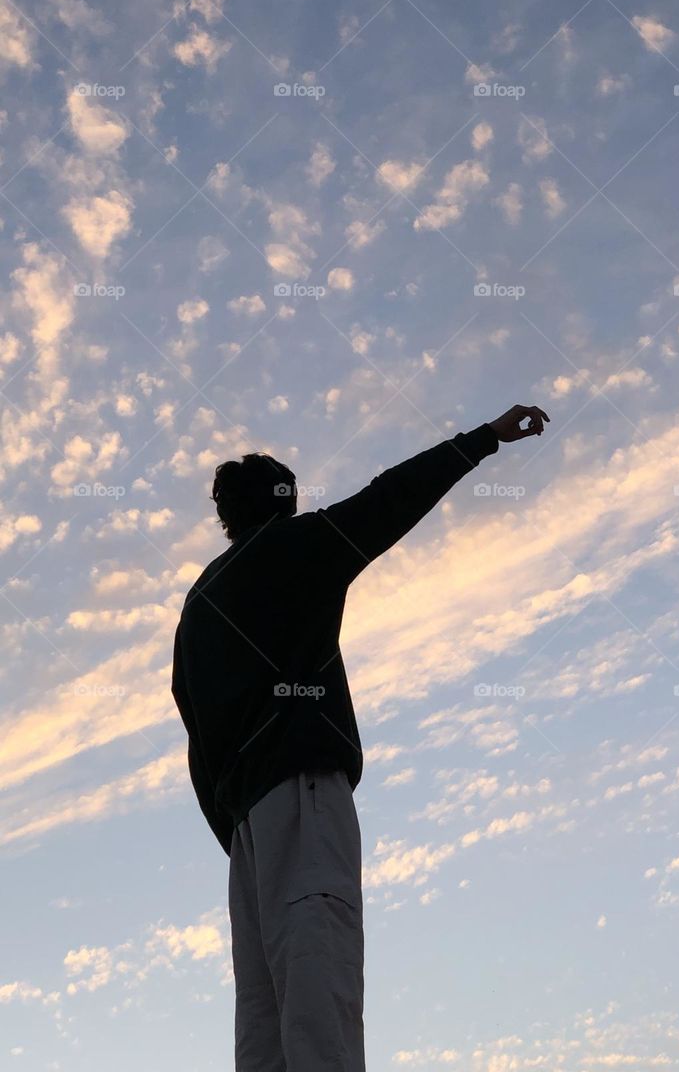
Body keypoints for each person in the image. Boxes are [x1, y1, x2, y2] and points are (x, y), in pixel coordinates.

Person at [171, 404, 550, 1072]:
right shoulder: (292, 548)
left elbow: (196, 733)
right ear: (283, 504)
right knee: (320, 966)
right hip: (300, 793)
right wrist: (485, 439)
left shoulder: (198, 605)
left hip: (246, 831)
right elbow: (386, 502)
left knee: (262, 1016)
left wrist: (234, 833)